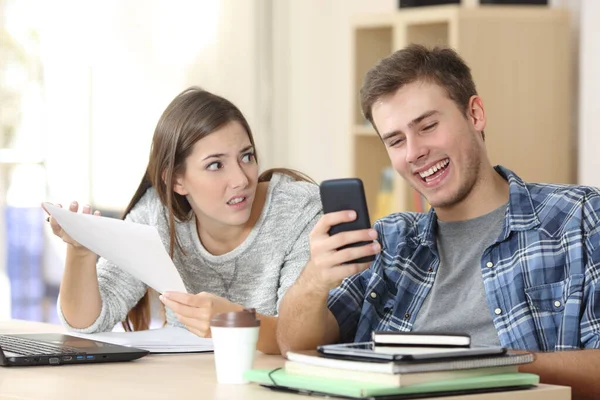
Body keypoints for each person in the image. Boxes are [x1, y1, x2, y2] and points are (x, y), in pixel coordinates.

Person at [277, 44, 600, 398]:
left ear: (475, 114)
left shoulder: (578, 218)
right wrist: (313, 280)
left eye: (427, 126)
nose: (414, 152)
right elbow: (295, 346)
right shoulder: (391, 243)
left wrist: (482, 365)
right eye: (396, 140)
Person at [45, 87, 322, 355]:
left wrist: (231, 320)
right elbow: (87, 322)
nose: (241, 179)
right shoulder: (157, 214)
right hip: (184, 379)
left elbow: (302, 337)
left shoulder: (299, 211)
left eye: (246, 157)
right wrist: (80, 254)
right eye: (216, 165)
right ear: (175, 180)